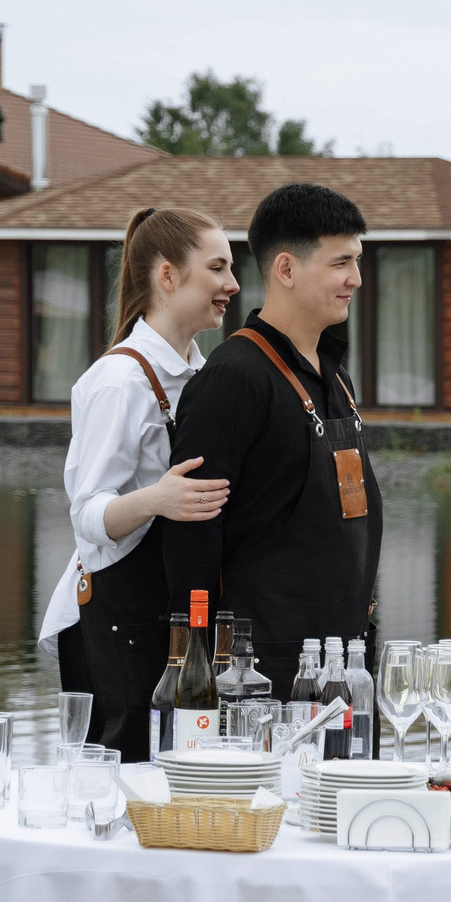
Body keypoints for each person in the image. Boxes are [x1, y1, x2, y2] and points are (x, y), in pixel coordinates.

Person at [160, 183, 383, 699]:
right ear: (285, 270)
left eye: (357, 260)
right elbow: (191, 538)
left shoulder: (333, 374)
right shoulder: (233, 377)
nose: (356, 278)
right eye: (341, 262)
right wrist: (194, 664)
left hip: (344, 659)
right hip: (258, 673)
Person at [35, 208, 236, 758]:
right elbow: (87, 517)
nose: (232, 285)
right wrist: (160, 499)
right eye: (217, 268)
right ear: (168, 277)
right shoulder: (119, 382)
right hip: (115, 619)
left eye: (231, 269)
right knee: (121, 772)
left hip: (162, 612)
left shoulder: (199, 375)